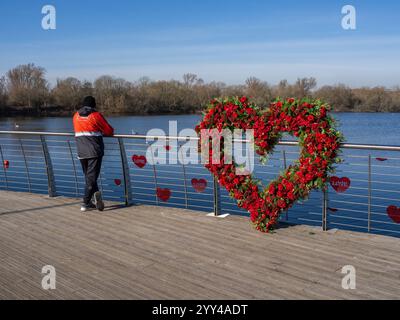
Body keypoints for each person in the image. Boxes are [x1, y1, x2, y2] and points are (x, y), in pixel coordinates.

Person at [73, 96, 114, 212]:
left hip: (81, 151)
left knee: (90, 177)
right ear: (94, 105)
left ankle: (96, 200)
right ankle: (85, 203)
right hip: (94, 151)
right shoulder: (95, 115)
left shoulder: (75, 116)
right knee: (91, 178)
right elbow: (109, 131)